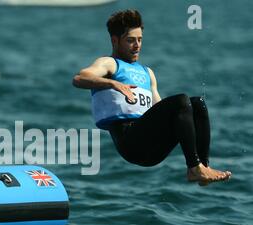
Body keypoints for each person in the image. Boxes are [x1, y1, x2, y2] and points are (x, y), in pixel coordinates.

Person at [72, 9, 231, 186]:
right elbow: (80, 78)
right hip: (129, 142)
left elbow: (162, 110)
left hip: (152, 149)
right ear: (115, 41)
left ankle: (201, 168)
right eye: (130, 40)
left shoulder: (148, 73)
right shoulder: (110, 64)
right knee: (181, 100)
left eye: (140, 40)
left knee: (197, 104)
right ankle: (194, 167)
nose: (137, 45)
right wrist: (114, 84)